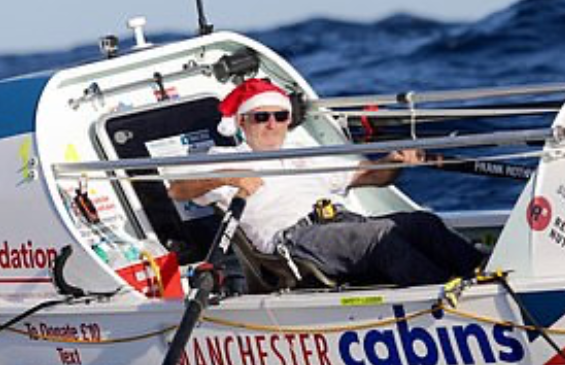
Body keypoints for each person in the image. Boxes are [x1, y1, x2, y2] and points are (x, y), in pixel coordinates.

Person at [166, 79, 487, 287]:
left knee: (423, 223)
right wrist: (229, 177)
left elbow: (371, 176)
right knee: (378, 237)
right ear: (242, 122)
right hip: (291, 239)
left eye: (280, 116)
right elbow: (177, 189)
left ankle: (486, 279)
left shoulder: (304, 152)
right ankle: (446, 298)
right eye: (261, 117)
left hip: (340, 221)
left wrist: (394, 162)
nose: (272, 125)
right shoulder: (225, 156)